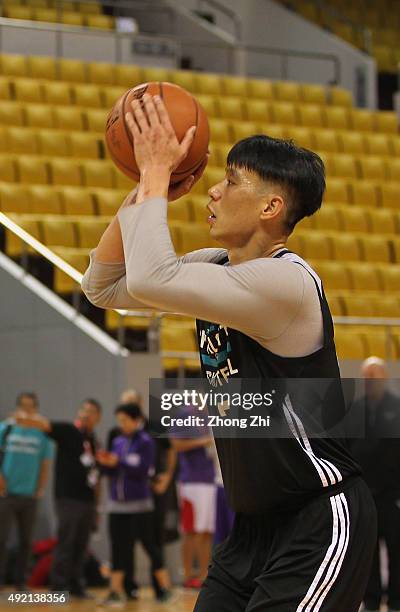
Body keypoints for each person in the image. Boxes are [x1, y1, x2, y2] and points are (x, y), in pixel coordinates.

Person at [81, 93, 377, 611]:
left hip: (318, 520)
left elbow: (153, 275)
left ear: (270, 207)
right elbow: (103, 287)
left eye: (232, 181)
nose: (213, 189)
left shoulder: (287, 283)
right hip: (251, 531)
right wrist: (145, 189)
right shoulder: (215, 264)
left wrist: (154, 171)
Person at [15, 398, 102, 598]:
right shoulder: (68, 431)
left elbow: (96, 476)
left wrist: (97, 507)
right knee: (66, 542)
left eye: (91, 412)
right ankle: (59, 586)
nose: (86, 414)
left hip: (87, 501)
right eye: (84, 410)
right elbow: (44, 425)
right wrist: (26, 418)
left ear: (98, 417)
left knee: (81, 545)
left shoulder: (93, 441)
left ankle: (76, 585)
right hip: (67, 498)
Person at [97, 402, 172, 606]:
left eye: (124, 420)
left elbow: (143, 469)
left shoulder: (146, 441)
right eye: (118, 421)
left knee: (150, 546)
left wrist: (118, 463)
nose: (121, 424)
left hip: (140, 504)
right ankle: (115, 591)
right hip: (117, 504)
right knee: (119, 548)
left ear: (136, 420)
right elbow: (114, 472)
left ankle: (164, 588)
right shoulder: (118, 441)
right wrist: (106, 464)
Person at [349, 357, 400, 612]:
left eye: (375, 377)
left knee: (396, 550)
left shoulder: (397, 407)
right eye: (367, 378)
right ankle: (370, 600)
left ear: (385, 378)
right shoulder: (355, 411)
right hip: (364, 494)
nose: (371, 382)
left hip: (393, 494)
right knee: (367, 553)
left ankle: (396, 600)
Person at [0, 393, 53, 591]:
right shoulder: (6, 429)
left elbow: (45, 463)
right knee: (2, 538)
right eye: (23, 406)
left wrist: (39, 488)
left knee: (26, 541)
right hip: (6, 493)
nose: (27, 410)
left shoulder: (42, 434)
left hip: (29, 495)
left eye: (31, 407)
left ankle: (20, 583)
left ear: (36, 409)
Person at [170, 405, 216, 589]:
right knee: (191, 530)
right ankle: (188, 575)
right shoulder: (185, 414)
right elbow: (175, 443)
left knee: (206, 531)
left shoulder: (211, 416)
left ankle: (205, 575)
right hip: (191, 481)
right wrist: (203, 442)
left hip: (209, 479)